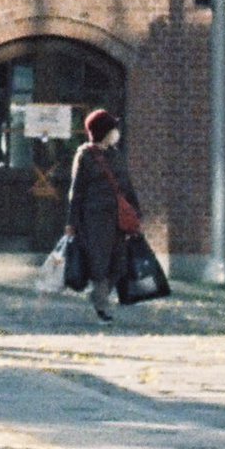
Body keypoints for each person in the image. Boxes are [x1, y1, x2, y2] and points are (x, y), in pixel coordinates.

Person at [69, 106, 140, 321]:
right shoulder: (85, 155)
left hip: (118, 217)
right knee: (99, 263)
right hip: (95, 218)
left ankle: (98, 296)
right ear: (103, 132)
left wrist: (137, 213)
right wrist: (72, 221)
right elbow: (77, 190)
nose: (116, 133)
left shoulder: (115, 154)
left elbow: (126, 186)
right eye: (112, 129)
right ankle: (102, 307)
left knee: (119, 264)